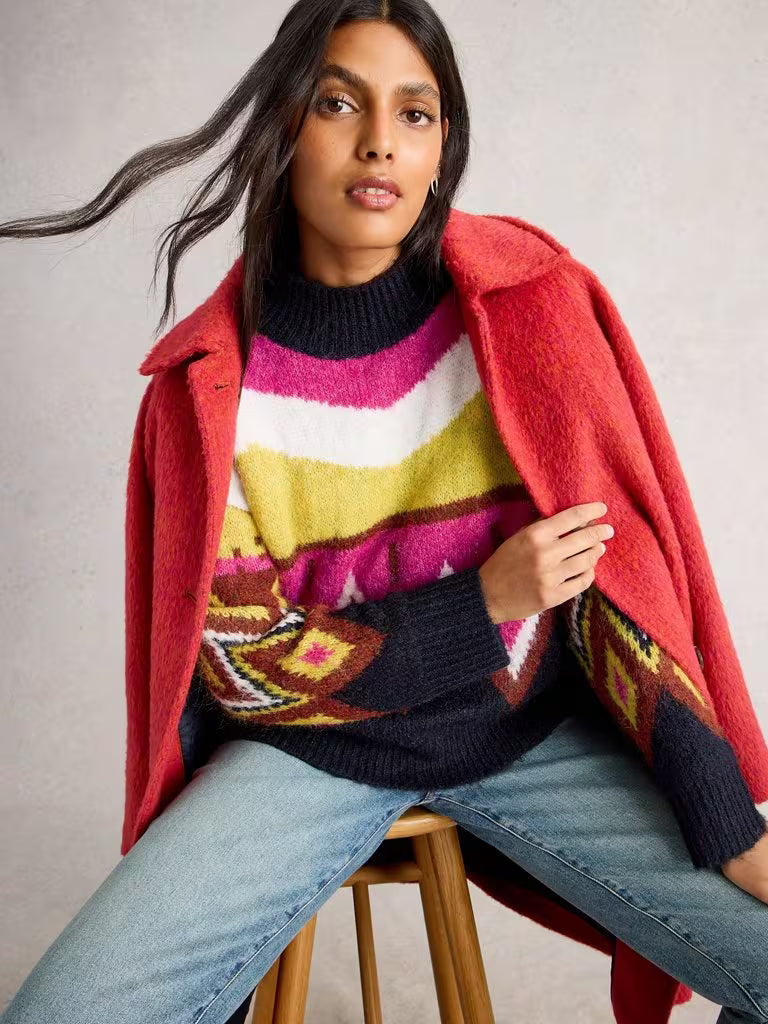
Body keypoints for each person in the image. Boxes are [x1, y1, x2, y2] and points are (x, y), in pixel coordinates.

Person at [1, 2, 767, 1022]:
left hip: (527, 733)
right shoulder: (209, 388)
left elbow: (612, 589)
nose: (380, 143)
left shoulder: (527, 307)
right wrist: (479, 604)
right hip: (307, 753)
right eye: (337, 103)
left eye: (415, 113)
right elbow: (247, 666)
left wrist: (727, 821)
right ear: (282, 123)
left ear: (444, 142)